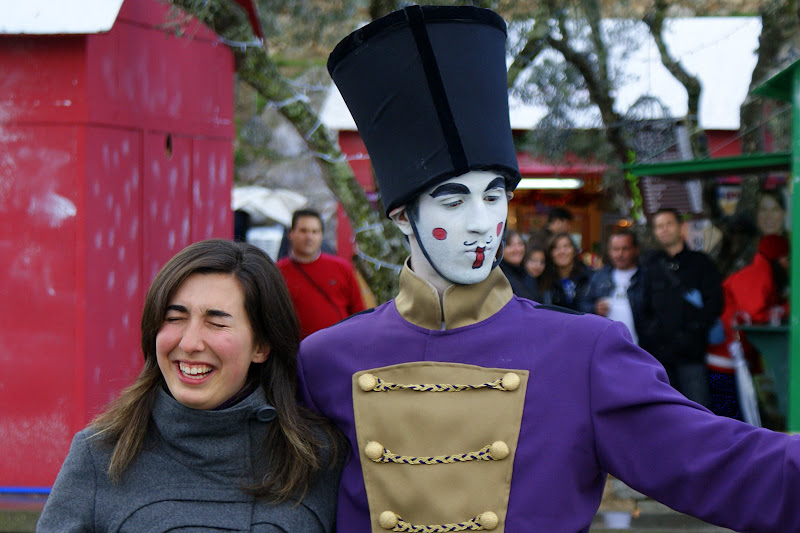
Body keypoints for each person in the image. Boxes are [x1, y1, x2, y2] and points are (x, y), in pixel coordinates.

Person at [299, 5, 800, 532]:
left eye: (494, 197)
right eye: (452, 201)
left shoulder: (584, 351)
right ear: (402, 216)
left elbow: (723, 463)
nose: (481, 223)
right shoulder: (324, 360)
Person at [38, 239, 342, 532]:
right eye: (174, 318)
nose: (190, 342)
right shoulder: (102, 454)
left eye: (217, 322)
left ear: (261, 345)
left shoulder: (318, 455)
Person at [639, 208, 723, 408]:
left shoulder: (701, 263)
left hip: (692, 355)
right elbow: (642, 307)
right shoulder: (649, 266)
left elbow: (715, 304)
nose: (664, 230)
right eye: (659, 226)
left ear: (681, 227)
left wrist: (694, 332)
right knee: (663, 412)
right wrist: (653, 336)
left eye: (668, 224)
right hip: (659, 357)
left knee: (698, 411)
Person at [707, 234, 790, 420]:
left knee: (736, 416)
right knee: (733, 417)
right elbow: (754, 316)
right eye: (786, 259)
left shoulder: (759, 274)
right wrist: (787, 309)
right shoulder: (759, 276)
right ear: (776, 259)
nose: (788, 265)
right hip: (727, 358)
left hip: (728, 357)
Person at [277, 209, 365, 338]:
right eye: (303, 231)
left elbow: (359, 312)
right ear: (291, 234)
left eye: (315, 232)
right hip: (298, 351)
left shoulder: (342, 268)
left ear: (322, 236)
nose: (309, 237)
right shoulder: (277, 272)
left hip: (340, 346)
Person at [582, 229, 645, 344]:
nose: (619, 254)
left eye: (625, 249)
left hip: (641, 348)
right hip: (606, 347)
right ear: (609, 251)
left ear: (636, 250)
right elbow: (582, 306)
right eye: (615, 249)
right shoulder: (600, 276)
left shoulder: (645, 277)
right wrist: (594, 308)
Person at [540, 232, 593, 311]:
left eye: (566, 246)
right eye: (556, 248)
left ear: (574, 251)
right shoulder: (544, 280)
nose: (562, 251)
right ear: (550, 254)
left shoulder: (589, 276)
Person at [499, 229, 539, 300]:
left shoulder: (525, 272)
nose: (517, 249)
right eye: (510, 245)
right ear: (499, 249)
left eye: (520, 244)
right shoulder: (499, 277)